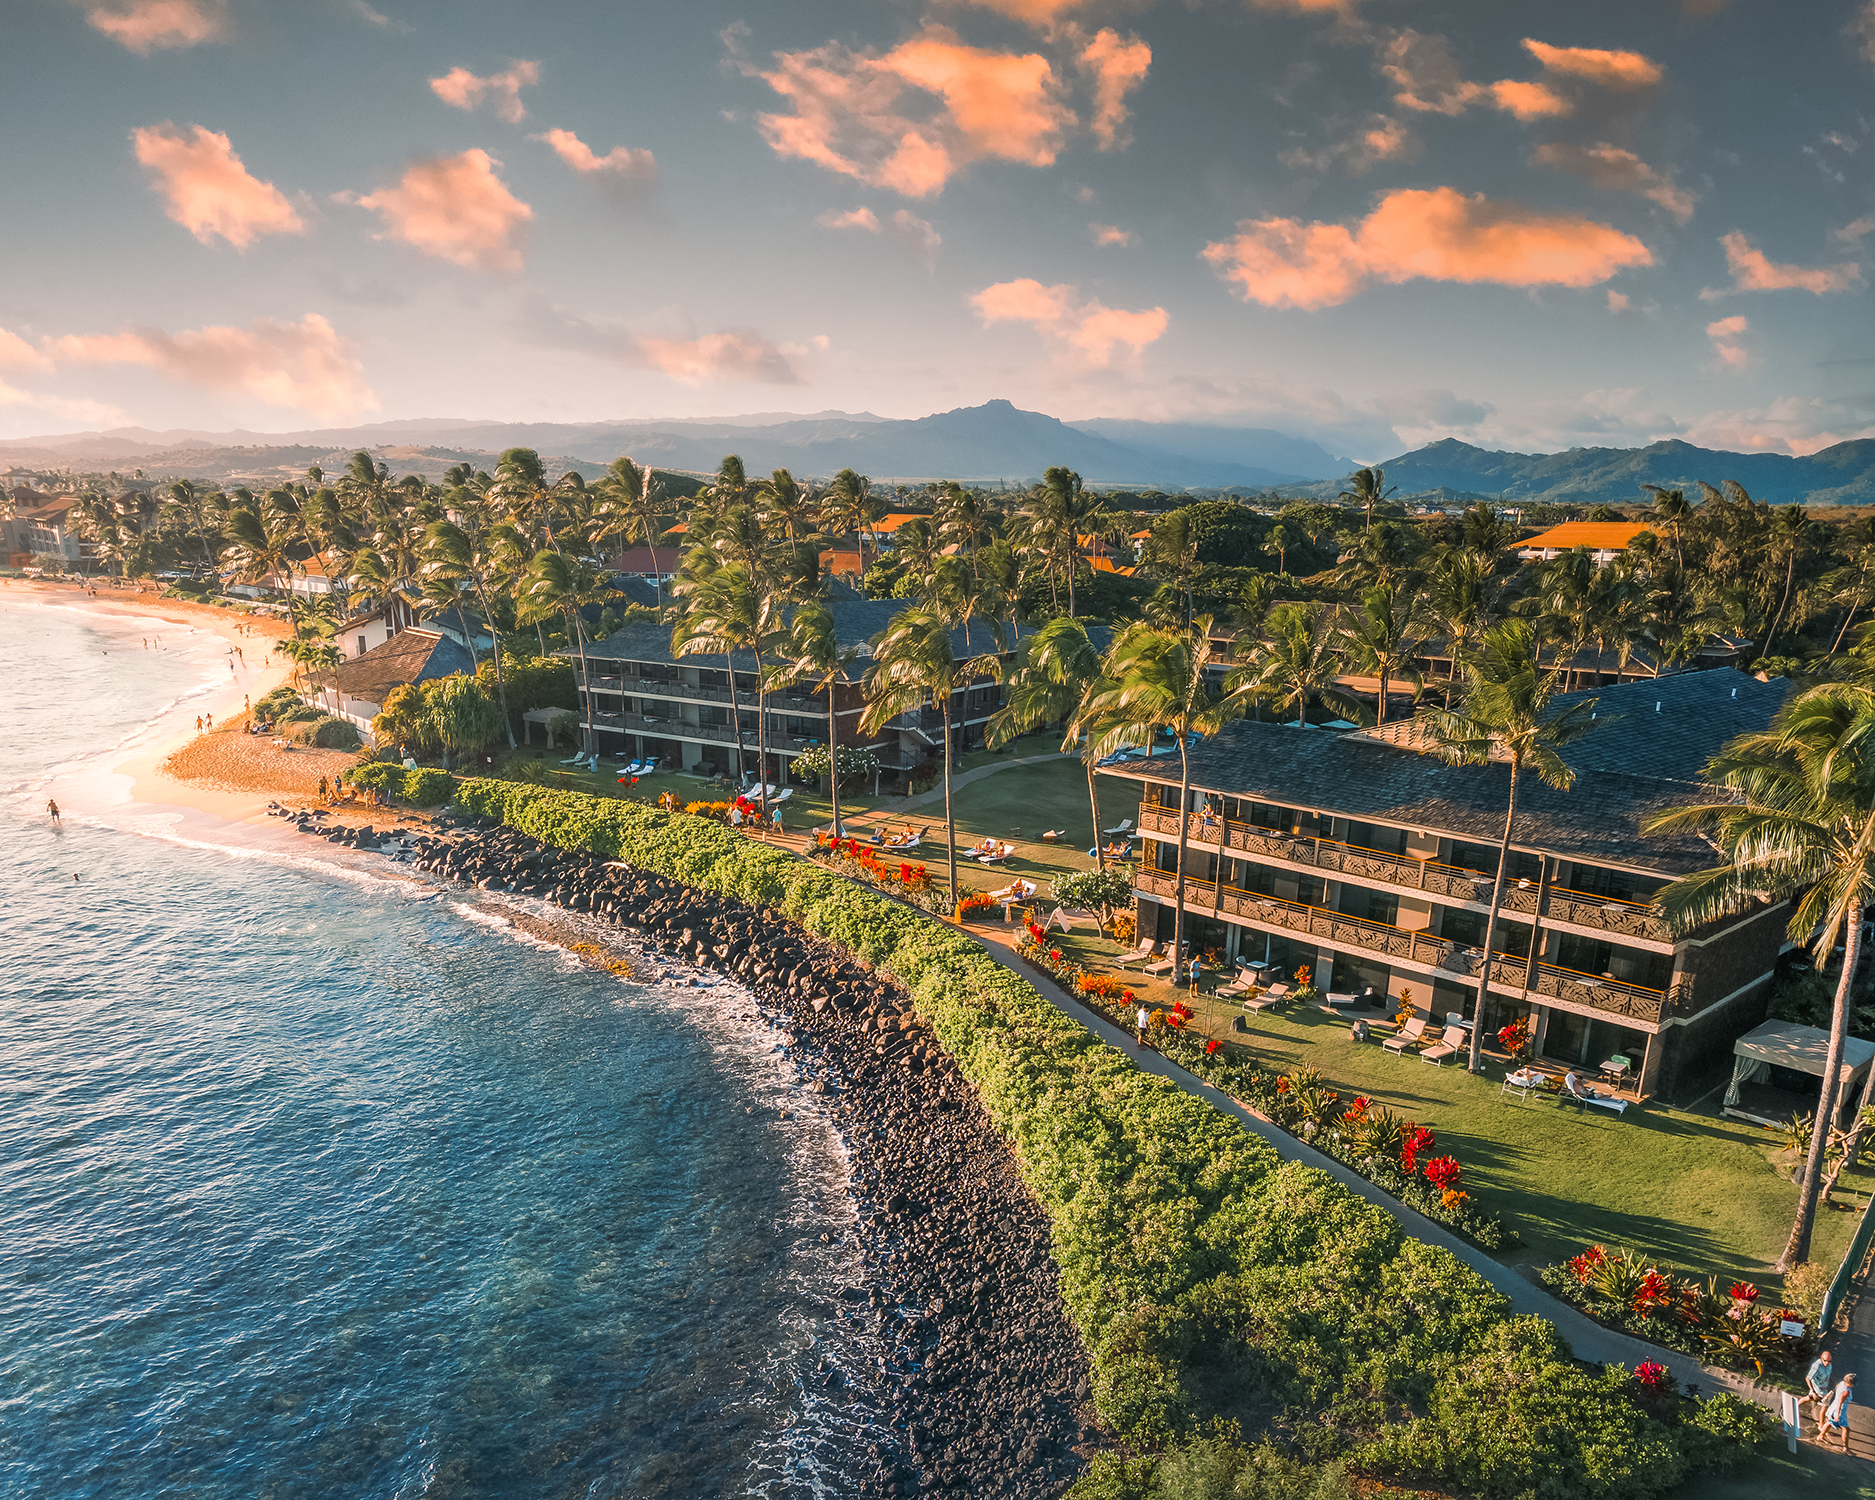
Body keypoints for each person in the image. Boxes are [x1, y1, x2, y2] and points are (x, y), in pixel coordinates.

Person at [1823, 1372, 1857, 1451]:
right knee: (1846, 1429)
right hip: (1839, 1411)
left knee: (1829, 1422)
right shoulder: (1846, 1392)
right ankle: (1846, 1447)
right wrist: (1837, 1415)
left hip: (1833, 1408)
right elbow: (1840, 1403)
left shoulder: (1841, 1383)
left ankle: (1821, 1436)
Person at [1807, 1350, 1836, 1427]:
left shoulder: (1829, 1365)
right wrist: (1813, 1391)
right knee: (1825, 1406)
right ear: (1821, 1357)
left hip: (1824, 1388)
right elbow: (1808, 1378)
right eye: (1825, 1361)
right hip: (1817, 1389)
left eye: (1829, 1361)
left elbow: (1830, 1373)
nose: (1827, 1363)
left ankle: (1796, 1405)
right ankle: (1821, 1425)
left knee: (1809, 1398)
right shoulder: (1817, 1366)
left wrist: (1835, 1381)